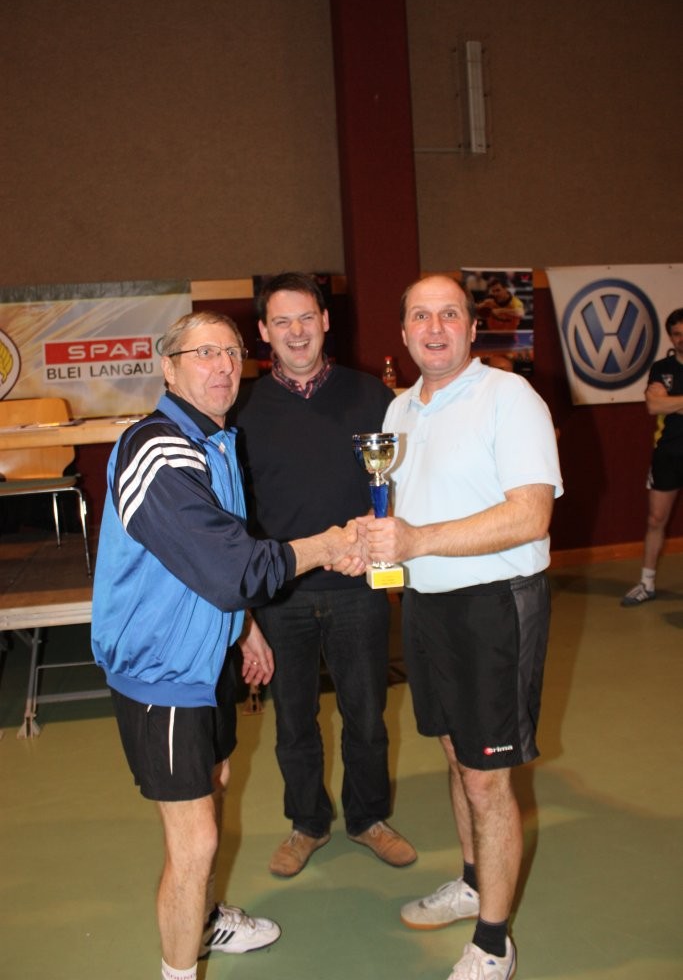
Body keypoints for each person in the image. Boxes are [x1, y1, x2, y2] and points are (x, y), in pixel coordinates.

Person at [91, 310, 364, 980]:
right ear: (169, 368)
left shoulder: (215, 442)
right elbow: (234, 568)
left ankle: (207, 919)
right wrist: (331, 544)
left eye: (232, 353)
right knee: (195, 842)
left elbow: (212, 562)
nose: (221, 367)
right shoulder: (157, 450)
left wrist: (245, 628)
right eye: (203, 353)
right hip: (161, 671)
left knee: (215, 783)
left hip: (206, 659)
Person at [359, 275, 562, 980]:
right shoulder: (397, 409)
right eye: (421, 315)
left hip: (494, 606)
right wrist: (378, 542)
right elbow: (402, 510)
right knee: (455, 754)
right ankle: (474, 882)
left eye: (449, 314)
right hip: (427, 604)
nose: (435, 327)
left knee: (487, 779)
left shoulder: (510, 397)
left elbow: (530, 514)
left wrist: (417, 540)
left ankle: (494, 942)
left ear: (473, 329)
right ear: (404, 331)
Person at [230, 271, 416, 878]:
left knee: (366, 715)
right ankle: (306, 824)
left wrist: (376, 539)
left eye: (306, 317)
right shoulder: (242, 409)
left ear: (326, 321)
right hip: (280, 593)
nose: (296, 332)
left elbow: (399, 486)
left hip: (358, 587)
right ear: (264, 332)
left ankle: (368, 819)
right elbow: (235, 512)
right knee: (293, 722)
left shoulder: (373, 397)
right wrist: (248, 611)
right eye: (281, 321)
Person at [621, 307, 683, 606]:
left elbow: (663, 402)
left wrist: (671, 401)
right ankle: (646, 583)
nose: (681, 339)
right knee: (656, 518)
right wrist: (666, 403)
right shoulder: (661, 368)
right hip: (667, 454)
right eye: (677, 334)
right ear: (670, 337)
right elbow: (653, 406)